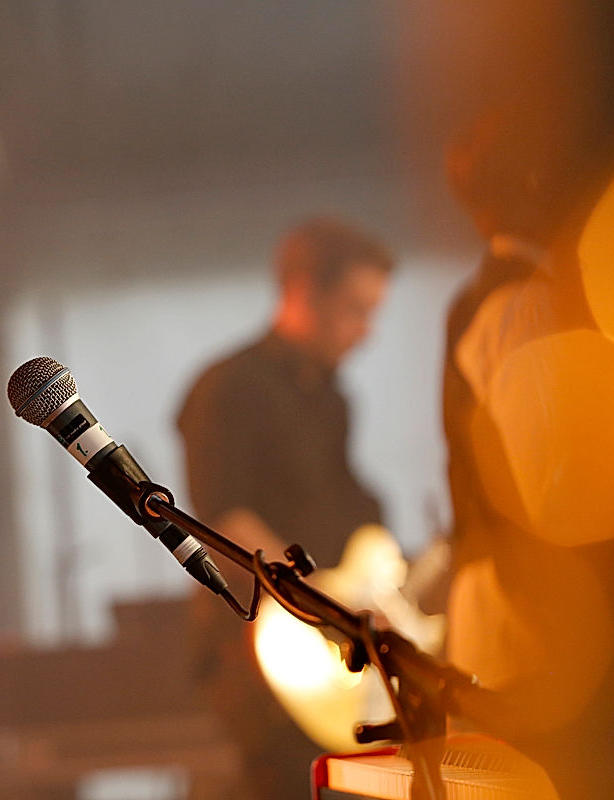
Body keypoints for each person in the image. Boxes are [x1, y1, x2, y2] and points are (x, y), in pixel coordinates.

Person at [176, 216, 392, 800]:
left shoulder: (332, 396)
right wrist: (327, 602)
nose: (365, 332)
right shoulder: (228, 388)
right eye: (355, 309)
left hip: (325, 635)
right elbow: (223, 519)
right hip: (256, 646)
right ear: (301, 291)